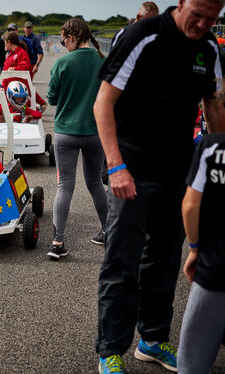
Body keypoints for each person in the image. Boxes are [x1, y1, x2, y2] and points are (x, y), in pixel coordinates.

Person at [94, 0, 225, 372]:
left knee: (165, 260)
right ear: (180, 3)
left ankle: (152, 340)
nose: (202, 24)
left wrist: (220, 166)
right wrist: (116, 166)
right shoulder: (144, 35)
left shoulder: (209, 48)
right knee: (122, 260)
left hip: (177, 172)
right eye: (196, 14)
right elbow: (103, 103)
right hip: (131, 169)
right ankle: (110, 349)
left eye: (212, 19)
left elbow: (214, 109)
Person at [46, 18, 107, 260]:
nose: (62, 44)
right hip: (94, 132)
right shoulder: (102, 61)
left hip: (66, 133)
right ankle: (109, 231)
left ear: (71, 37)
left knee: (65, 187)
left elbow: (51, 98)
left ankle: (58, 241)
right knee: (95, 185)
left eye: (63, 40)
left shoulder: (63, 63)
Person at [178, 133, 225, 373]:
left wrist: (194, 249)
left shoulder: (212, 146)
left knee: (192, 363)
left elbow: (190, 205)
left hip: (215, 265)